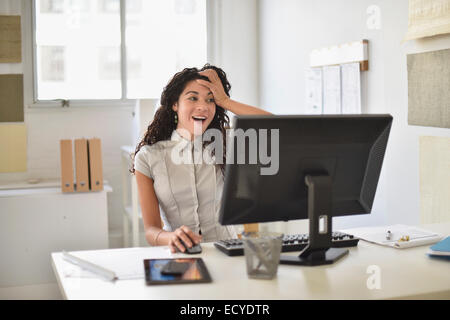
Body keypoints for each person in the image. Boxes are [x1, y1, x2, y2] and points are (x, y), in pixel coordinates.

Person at [131, 64, 271, 253]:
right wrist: (171, 237)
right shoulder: (148, 157)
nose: (203, 107)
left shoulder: (227, 145)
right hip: (181, 254)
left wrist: (225, 101)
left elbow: (277, 128)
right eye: (193, 98)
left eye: (210, 100)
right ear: (175, 104)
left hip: (227, 251)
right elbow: (151, 231)